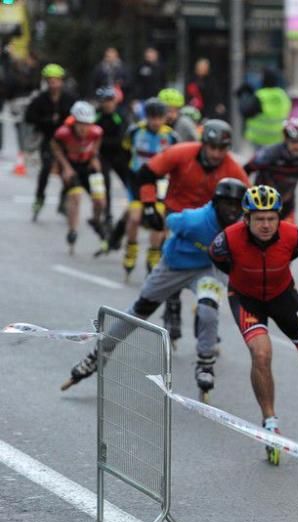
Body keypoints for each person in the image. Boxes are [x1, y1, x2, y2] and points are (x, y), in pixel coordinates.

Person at [208, 185, 298, 465]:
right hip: (246, 300)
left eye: (271, 218)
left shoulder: (295, 237)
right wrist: (242, 278)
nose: (265, 225)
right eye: (259, 219)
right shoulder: (226, 241)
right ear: (246, 219)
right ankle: (270, 421)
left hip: (285, 297)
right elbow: (219, 261)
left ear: (279, 218)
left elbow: (293, 253)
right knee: (261, 354)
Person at [62, 179, 248, 397]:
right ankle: (98, 354)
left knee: (208, 310)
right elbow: (170, 221)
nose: (233, 211)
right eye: (228, 205)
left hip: (207, 270)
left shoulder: (240, 228)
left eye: (237, 206)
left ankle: (205, 363)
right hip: (174, 266)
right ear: (216, 204)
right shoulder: (194, 220)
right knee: (138, 312)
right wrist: (157, 216)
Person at [137, 119, 250, 342]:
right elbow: (146, 172)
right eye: (212, 148)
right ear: (203, 144)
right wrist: (149, 205)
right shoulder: (181, 153)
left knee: (215, 266)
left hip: (210, 220)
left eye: (222, 149)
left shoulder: (232, 168)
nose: (217, 154)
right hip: (177, 214)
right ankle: (172, 304)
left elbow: (248, 201)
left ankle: (205, 316)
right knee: (176, 256)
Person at [117, 97, 179, 278]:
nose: (155, 122)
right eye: (152, 118)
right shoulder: (135, 131)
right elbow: (125, 152)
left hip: (159, 182)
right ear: (146, 117)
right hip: (137, 180)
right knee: (135, 217)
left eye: (159, 118)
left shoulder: (172, 136)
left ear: (165, 118)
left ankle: (153, 255)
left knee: (158, 220)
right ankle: (131, 250)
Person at [51, 101, 106, 253]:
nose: (84, 128)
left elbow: (97, 142)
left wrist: (94, 157)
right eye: (81, 124)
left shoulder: (96, 132)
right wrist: (65, 167)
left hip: (88, 165)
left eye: (87, 124)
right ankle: (72, 231)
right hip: (72, 166)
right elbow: (55, 146)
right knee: (75, 198)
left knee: (100, 201)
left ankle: (95, 221)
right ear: (74, 122)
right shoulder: (63, 133)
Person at [243, 117, 298, 226]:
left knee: (287, 236)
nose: (297, 146)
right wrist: (246, 191)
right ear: (286, 140)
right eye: (293, 142)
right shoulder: (270, 154)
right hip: (261, 202)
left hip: (287, 203)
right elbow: (246, 169)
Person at [25, 63, 76, 221]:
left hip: (67, 141)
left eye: (56, 81)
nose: (53, 84)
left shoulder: (69, 98)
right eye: (50, 81)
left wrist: (66, 122)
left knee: (68, 172)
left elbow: (77, 116)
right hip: (49, 139)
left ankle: (63, 199)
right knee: (46, 168)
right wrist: (46, 121)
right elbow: (29, 117)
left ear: (61, 81)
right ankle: (39, 198)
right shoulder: (40, 99)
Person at [94, 86, 131, 231]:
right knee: (105, 184)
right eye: (105, 101)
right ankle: (107, 215)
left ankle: (135, 212)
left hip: (120, 155)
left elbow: (122, 138)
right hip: (103, 155)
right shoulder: (97, 115)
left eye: (110, 100)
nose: (108, 104)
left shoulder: (120, 115)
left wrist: (103, 141)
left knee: (129, 183)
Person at [240, 68, 291, 150]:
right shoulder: (283, 96)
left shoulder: (260, 96)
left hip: (259, 139)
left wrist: (244, 96)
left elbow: (245, 112)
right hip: (278, 139)